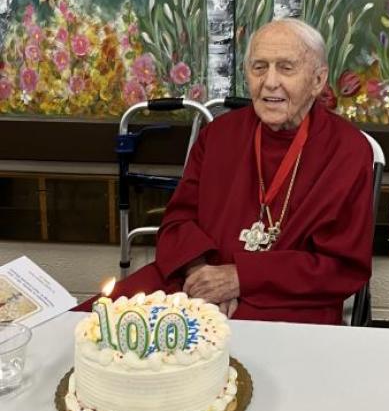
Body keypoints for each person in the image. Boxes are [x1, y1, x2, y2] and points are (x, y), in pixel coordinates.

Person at [79, 18, 374, 324]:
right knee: (93, 325)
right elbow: (178, 222)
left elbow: (340, 266)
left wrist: (240, 278)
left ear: (317, 80)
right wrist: (202, 277)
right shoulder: (219, 135)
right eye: (259, 67)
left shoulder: (348, 150)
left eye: (286, 68)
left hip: (290, 300)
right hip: (193, 282)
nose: (270, 82)